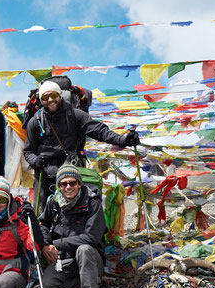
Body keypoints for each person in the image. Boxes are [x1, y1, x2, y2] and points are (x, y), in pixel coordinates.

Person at [23, 80, 140, 211]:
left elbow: (100, 131)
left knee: (76, 213)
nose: (50, 100)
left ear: (60, 95)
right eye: (45, 97)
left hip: (72, 176)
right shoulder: (35, 122)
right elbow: (28, 151)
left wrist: (123, 140)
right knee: (43, 214)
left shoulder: (75, 115)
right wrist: (36, 160)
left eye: (54, 95)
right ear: (41, 100)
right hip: (46, 177)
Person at [38, 164, 106, 288]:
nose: (68, 187)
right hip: (66, 258)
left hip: (91, 258)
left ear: (79, 184)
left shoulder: (92, 202)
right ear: (58, 186)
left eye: (72, 183)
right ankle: (78, 285)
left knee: (84, 249)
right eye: (63, 184)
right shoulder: (54, 202)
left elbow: (92, 237)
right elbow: (43, 223)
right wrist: (46, 244)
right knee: (48, 284)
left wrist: (57, 244)